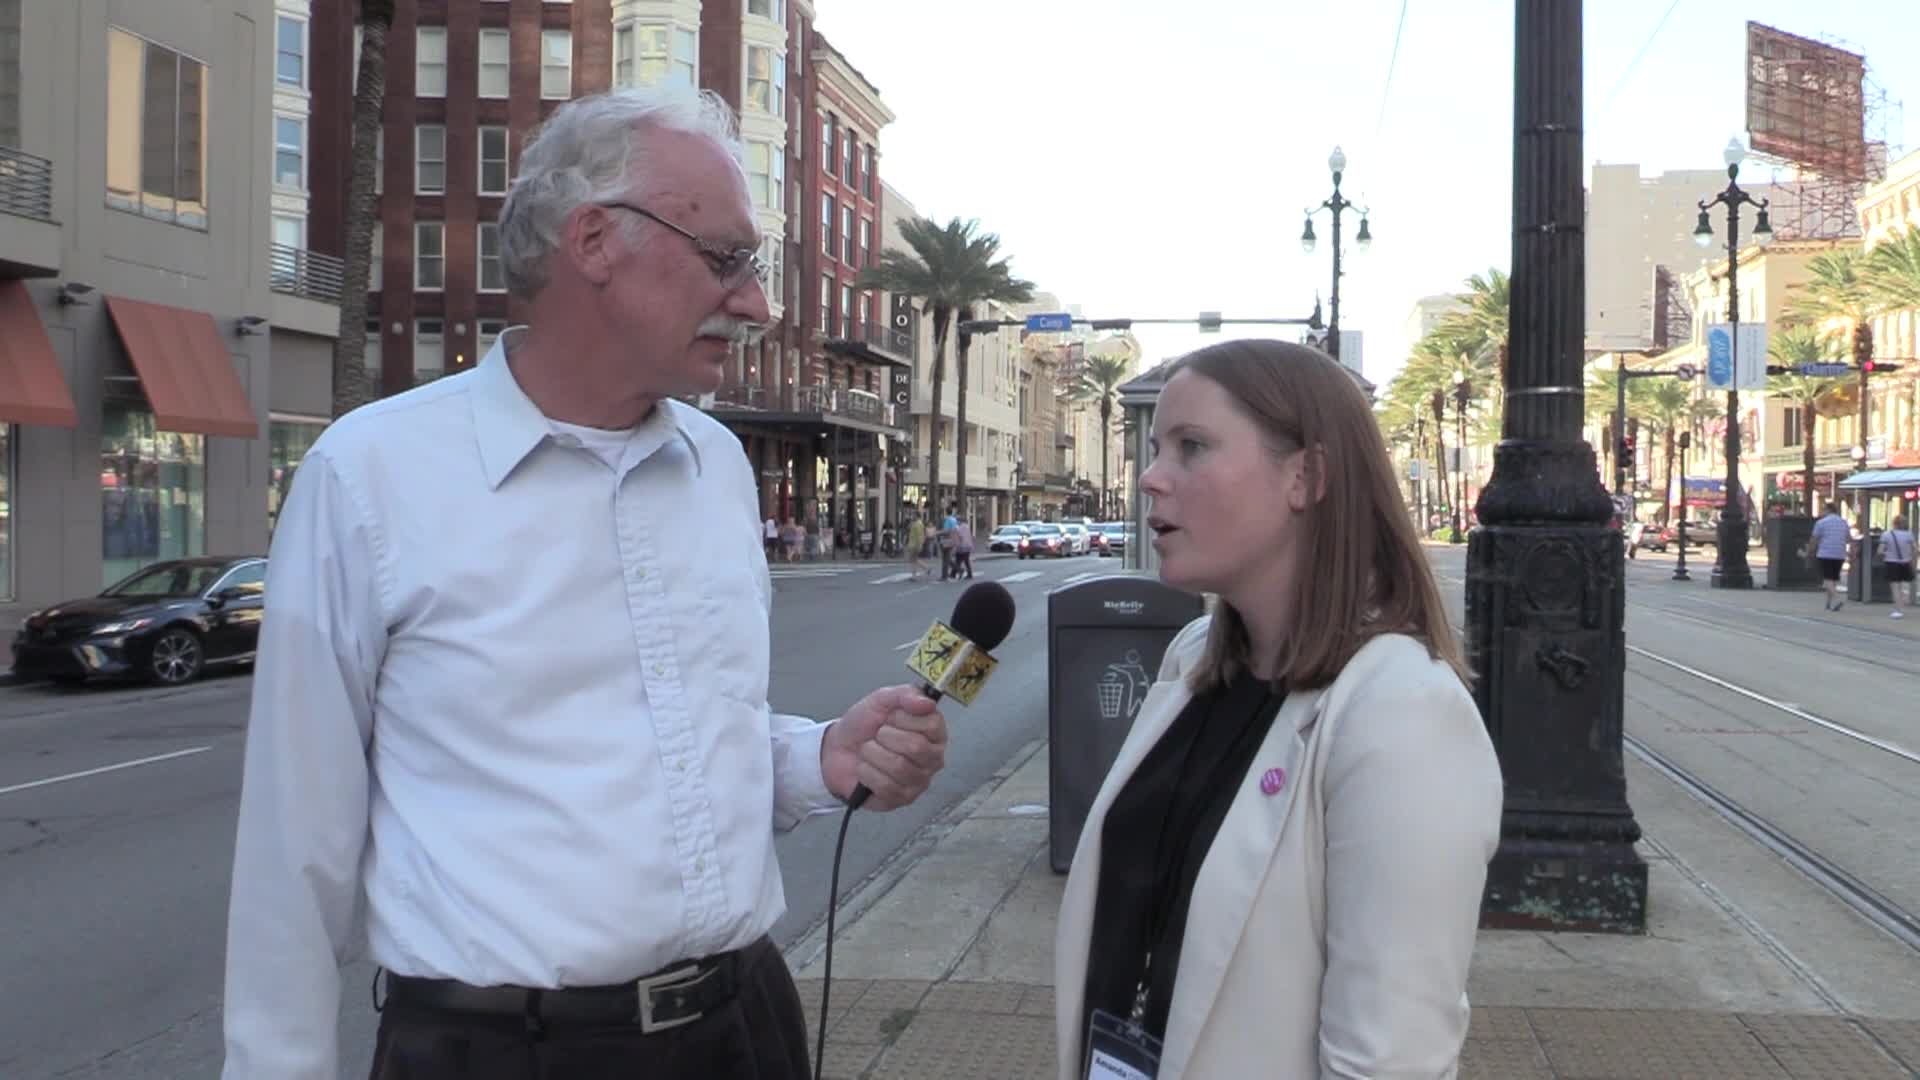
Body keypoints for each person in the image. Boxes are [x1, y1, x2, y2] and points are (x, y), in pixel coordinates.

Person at [222, 86, 950, 1080]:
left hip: (746, 1029)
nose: (758, 304)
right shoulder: (371, 475)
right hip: (505, 1053)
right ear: (596, 240)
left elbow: (687, 735)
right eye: (727, 258)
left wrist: (816, 757)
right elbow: (292, 845)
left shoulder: (718, 466)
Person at [1054, 340, 1502, 1079]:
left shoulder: (1399, 712)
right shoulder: (1193, 661)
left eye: (1192, 447)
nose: (1150, 478)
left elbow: (1388, 1059)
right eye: (1157, 445)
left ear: (1307, 476)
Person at [1805, 502, 1851, 612]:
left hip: (1825, 553)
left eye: (1823, 509)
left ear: (1828, 510)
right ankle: (1828, 604)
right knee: (1833, 579)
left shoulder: (1821, 523)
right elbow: (1848, 538)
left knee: (1827, 580)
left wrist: (1809, 551)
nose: (1822, 512)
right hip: (1840, 554)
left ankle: (1838, 599)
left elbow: (1814, 539)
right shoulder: (1843, 522)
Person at [1881, 513, 1915, 617]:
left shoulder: (1886, 535)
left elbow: (1880, 550)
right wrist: (1910, 557)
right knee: (1902, 585)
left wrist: (1888, 553)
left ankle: (1898, 610)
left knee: (1895, 587)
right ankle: (1902, 603)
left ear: (1894, 523)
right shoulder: (1909, 535)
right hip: (1905, 563)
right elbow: (1915, 549)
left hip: (1892, 563)